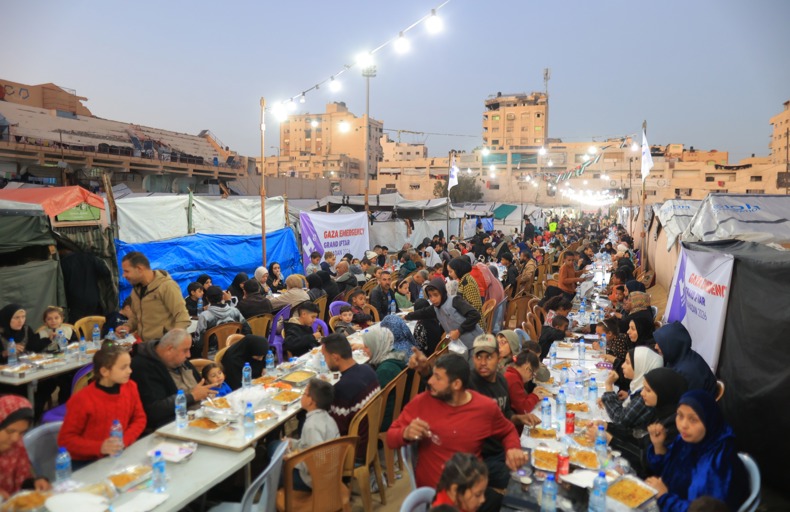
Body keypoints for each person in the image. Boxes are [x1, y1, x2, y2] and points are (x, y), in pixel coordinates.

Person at [386, 353, 526, 489]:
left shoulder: (484, 408)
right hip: (434, 496)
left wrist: (513, 448)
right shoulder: (422, 402)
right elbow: (391, 438)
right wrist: (405, 433)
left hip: (470, 493)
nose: (430, 381)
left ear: (456, 384)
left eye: (438, 378)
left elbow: (507, 430)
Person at [646, 390, 748, 511]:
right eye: (680, 415)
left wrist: (664, 497)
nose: (683, 425)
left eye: (693, 419)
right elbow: (666, 472)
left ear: (709, 421)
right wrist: (658, 446)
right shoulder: (685, 441)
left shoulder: (720, 461)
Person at [58, 343, 146, 464]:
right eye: (123, 367)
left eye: (129, 366)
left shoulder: (130, 387)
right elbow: (65, 440)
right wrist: (100, 447)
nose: (130, 371)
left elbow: (140, 418)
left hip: (119, 454)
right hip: (88, 462)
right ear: (105, 371)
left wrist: (123, 441)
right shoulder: (82, 400)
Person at [130, 329, 215, 431]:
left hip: (198, 417)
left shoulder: (179, 360)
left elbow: (201, 386)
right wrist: (192, 396)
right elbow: (154, 411)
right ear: (169, 349)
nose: (189, 355)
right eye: (185, 350)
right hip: (169, 428)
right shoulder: (142, 367)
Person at [278, 378, 340, 491]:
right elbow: (309, 445)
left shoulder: (311, 426)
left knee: (274, 475)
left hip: (313, 480)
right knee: (276, 447)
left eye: (304, 393)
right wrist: (293, 443)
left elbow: (315, 463)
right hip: (330, 472)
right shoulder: (327, 418)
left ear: (310, 401)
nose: (302, 396)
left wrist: (292, 458)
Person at [321, 333, 380, 449]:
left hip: (353, 450)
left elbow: (336, 429)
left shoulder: (343, 388)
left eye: (325, 356)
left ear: (335, 357)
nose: (325, 361)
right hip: (371, 437)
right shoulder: (368, 369)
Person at [119, 252, 191, 342]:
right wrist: (127, 327)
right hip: (146, 346)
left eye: (126, 271)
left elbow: (183, 318)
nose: (124, 275)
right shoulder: (136, 291)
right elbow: (136, 317)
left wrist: (172, 343)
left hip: (164, 347)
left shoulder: (166, 286)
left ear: (139, 269)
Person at [405, 278, 484, 356]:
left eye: (436, 295)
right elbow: (422, 313)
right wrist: (406, 317)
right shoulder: (436, 308)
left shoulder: (455, 301)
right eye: (430, 296)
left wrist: (459, 331)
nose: (433, 299)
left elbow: (475, 315)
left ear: (442, 293)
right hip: (461, 347)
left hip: (475, 342)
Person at [0, 395, 52, 499]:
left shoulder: (16, 447)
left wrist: (34, 483)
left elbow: (22, 481)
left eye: (22, 432)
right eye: (10, 431)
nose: (15, 438)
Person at [361, 328, 407, 430]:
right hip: (396, 411)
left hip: (385, 419)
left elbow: (372, 402)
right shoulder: (395, 356)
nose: (363, 350)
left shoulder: (385, 370)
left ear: (376, 346)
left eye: (366, 347)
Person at [654, 322, 717, 395]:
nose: (656, 347)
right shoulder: (678, 356)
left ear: (672, 345)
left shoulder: (688, 372)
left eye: (661, 344)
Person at [192, 286, 252, 358]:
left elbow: (199, 343)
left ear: (207, 299)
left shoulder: (205, 316)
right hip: (233, 351)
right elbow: (248, 329)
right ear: (223, 297)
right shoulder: (234, 311)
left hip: (212, 355)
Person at [58, 248, 112, 322]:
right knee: (94, 326)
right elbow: (105, 272)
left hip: (74, 302)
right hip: (93, 299)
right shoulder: (90, 257)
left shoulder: (63, 263)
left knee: (77, 328)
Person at [503, 349, 542, 433]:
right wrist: (535, 396)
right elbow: (523, 409)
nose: (531, 377)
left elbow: (521, 399)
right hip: (512, 428)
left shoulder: (513, 374)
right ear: (527, 368)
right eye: (533, 374)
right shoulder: (513, 379)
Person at [447, 258, 485, 329]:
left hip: (475, 324)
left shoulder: (468, 283)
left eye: (451, 271)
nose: (449, 274)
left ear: (457, 270)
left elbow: (476, 306)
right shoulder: (464, 279)